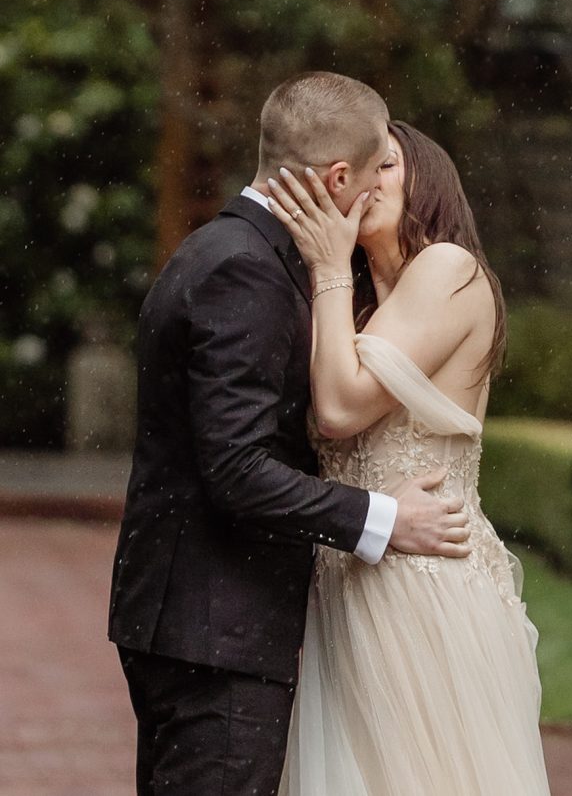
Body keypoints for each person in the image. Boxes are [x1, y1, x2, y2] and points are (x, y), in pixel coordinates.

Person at [108, 74, 471, 796]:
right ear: (338, 176)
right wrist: (383, 518)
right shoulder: (246, 269)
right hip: (216, 629)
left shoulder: (225, 249)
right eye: (373, 174)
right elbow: (237, 468)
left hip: (194, 621)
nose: (375, 191)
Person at [269, 120, 552, 796]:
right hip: (345, 592)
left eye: (387, 164)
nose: (369, 180)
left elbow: (337, 409)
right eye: (359, 168)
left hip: (424, 586)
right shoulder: (354, 307)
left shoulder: (448, 269)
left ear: (428, 180)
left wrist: (329, 266)